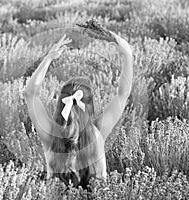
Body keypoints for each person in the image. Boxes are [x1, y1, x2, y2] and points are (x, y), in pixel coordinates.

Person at [25, 31, 133, 189]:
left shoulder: (50, 134)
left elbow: (30, 94)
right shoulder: (97, 134)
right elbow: (123, 94)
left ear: (61, 103)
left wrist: (48, 58)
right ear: (89, 106)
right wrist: (127, 54)